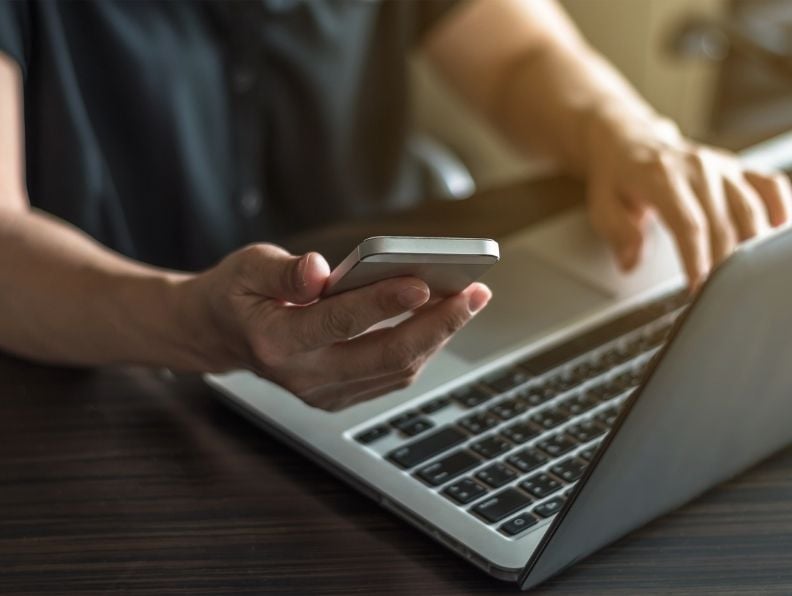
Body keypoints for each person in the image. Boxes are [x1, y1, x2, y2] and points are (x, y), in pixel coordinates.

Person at [0, 0, 788, 412]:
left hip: (400, 356)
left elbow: (519, 53)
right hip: (101, 381)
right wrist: (195, 326)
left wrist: (625, 132)